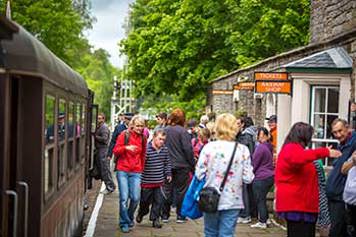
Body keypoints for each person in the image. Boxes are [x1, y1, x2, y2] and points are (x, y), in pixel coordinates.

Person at [275, 122, 341, 237]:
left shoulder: (294, 149)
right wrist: (325, 152)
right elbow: (299, 158)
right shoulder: (291, 149)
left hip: (302, 205)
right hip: (297, 205)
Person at [195, 113, 254, 237]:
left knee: (210, 232)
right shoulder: (242, 150)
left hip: (209, 197)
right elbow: (248, 178)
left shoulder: (209, 148)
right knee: (227, 234)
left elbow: (199, 174)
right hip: (232, 199)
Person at [113, 115, 147, 233]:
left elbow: (143, 154)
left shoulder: (143, 137)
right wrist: (127, 147)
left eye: (142, 126)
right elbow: (116, 150)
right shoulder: (124, 135)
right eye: (137, 125)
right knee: (124, 198)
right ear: (132, 125)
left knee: (136, 197)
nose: (139, 128)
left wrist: (141, 168)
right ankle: (124, 222)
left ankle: (129, 216)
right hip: (123, 170)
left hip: (136, 171)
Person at [161, 108, 195, 223]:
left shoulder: (165, 130)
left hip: (167, 165)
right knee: (181, 191)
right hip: (182, 165)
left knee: (167, 189)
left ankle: (165, 215)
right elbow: (188, 149)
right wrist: (192, 164)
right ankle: (180, 216)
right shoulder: (183, 131)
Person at [136, 129, 172, 228]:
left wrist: (168, 173)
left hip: (159, 182)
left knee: (158, 201)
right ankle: (141, 212)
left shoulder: (165, 150)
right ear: (154, 137)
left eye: (163, 140)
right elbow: (140, 163)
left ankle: (155, 219)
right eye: (160, 139)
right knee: (144, 202)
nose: (161, 141)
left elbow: (167, 163)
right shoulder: (146, 149)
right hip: (146, 182)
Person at [326, 119, 356, 237]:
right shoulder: (341, 144)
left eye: (340, 131)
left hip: (342, 197)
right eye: (335, 132)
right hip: (333, 196)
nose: (338, 135)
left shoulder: (353, 141)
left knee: (336, 232)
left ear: (348, 128)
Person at [250, 127, 274, 229]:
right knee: (262, 199)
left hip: (261, 176)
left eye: (259, 134)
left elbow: (255, 163)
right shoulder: (269, 146)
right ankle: (266, 219)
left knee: (260, 199)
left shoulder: (260, 147)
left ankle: (262, 221)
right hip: (270, 176)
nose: (258, 136)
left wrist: (250, 174)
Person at [236, 116, 256, 224]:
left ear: (243, 124)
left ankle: (245, 214)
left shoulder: (245, 137)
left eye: (238, 123)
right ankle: (249, 213)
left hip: (244, 167)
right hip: (246, 166)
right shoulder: (248, 135)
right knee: (247, 191)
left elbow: (245, 152)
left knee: (244, 192)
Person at [94, 113, 115, 194]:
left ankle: (110, 187)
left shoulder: (104, 127)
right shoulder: (99, 127)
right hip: (100, 150)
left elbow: (105, 139)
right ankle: (109, 186)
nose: (98, 120)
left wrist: (95, 136)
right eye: (97, 118)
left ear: (103, 119)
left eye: (100, 118)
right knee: (102, 169)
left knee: (105, 169)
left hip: (103, 150)